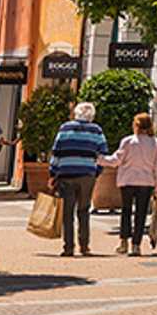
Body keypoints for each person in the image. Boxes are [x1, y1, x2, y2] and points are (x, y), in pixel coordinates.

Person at [104, 110, 157, 255]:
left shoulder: (128, 141)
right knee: (141, 214)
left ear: (136, 125)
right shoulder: (156, 143)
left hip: (127, 181)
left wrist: (98, 158)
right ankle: (136, 245)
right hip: (146, 182)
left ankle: (123, 243)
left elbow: (116, 160)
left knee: (126, 211)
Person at [48, 101, 108, 257]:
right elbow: (103, 154)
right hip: (87, 175)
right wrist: (96, 171)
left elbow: (56, 153)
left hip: (66, 174)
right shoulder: (96, 131)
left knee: (67, 213)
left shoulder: (65, 128)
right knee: (84, 210)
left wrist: (52, 174)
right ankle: (84, 246)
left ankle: (68, 247)